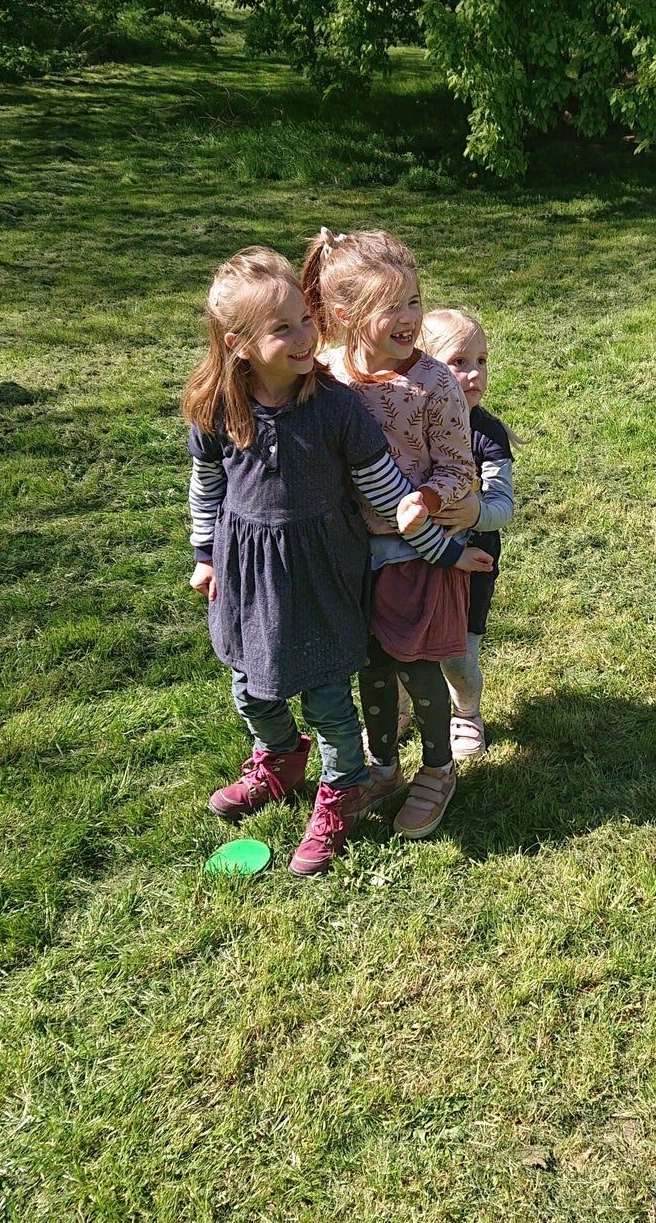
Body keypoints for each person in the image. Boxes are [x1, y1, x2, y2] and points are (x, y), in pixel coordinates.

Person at [185, 247, 466, 875]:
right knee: (250, 688)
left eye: (305, 320)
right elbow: (207, 483)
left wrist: (442, 549)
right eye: (282, 327)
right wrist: (205, 553)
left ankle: (340, 794)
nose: (306, 335)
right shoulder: (216, 406)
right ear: (238, 343)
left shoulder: (336, 405)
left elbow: (387, 489)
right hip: (247, 575)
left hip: (323, 575)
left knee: (330, 702)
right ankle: (280, 758)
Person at [304, 228, 489, 840]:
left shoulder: (434, 384)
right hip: (348, 555)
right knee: (371, 667)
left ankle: (437, 769)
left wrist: (429, 499)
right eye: (393, 306)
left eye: (414, 300)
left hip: (415, 554)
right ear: (343, 315)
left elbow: (461, 469)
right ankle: (383, 765)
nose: (410, 317)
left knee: (416, 667)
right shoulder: (327, 374)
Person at [419, 309, 516, 759]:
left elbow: (503, 507)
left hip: (472, 564)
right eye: (459, 361)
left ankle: (466, 713)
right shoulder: (410, 420)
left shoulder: (488, 434)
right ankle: (400, 711)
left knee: (459, 657)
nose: (474, 373)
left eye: (481, 360)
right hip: (413, 560)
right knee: (405, 650)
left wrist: (474, 512)